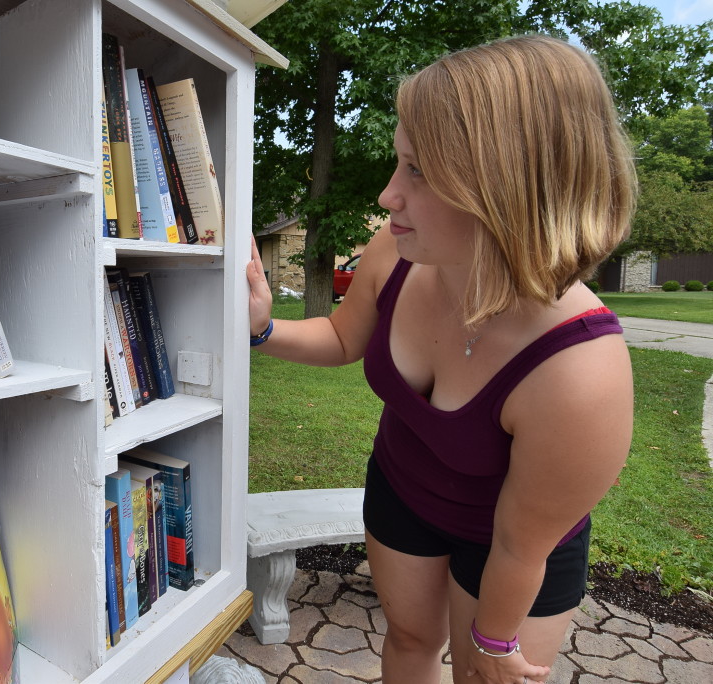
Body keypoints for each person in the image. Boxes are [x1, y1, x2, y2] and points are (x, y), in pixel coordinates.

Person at [245, 35, 636, 684]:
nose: (387, 197)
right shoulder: (396, 254)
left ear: (506, 188)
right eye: (399, 163)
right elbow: (345, 340)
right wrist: (262, 330)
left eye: (418, 171)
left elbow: (519, 543)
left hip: (516, 551)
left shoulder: (580, 371)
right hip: (402, 490)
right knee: (407, 640)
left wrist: (493, 638)